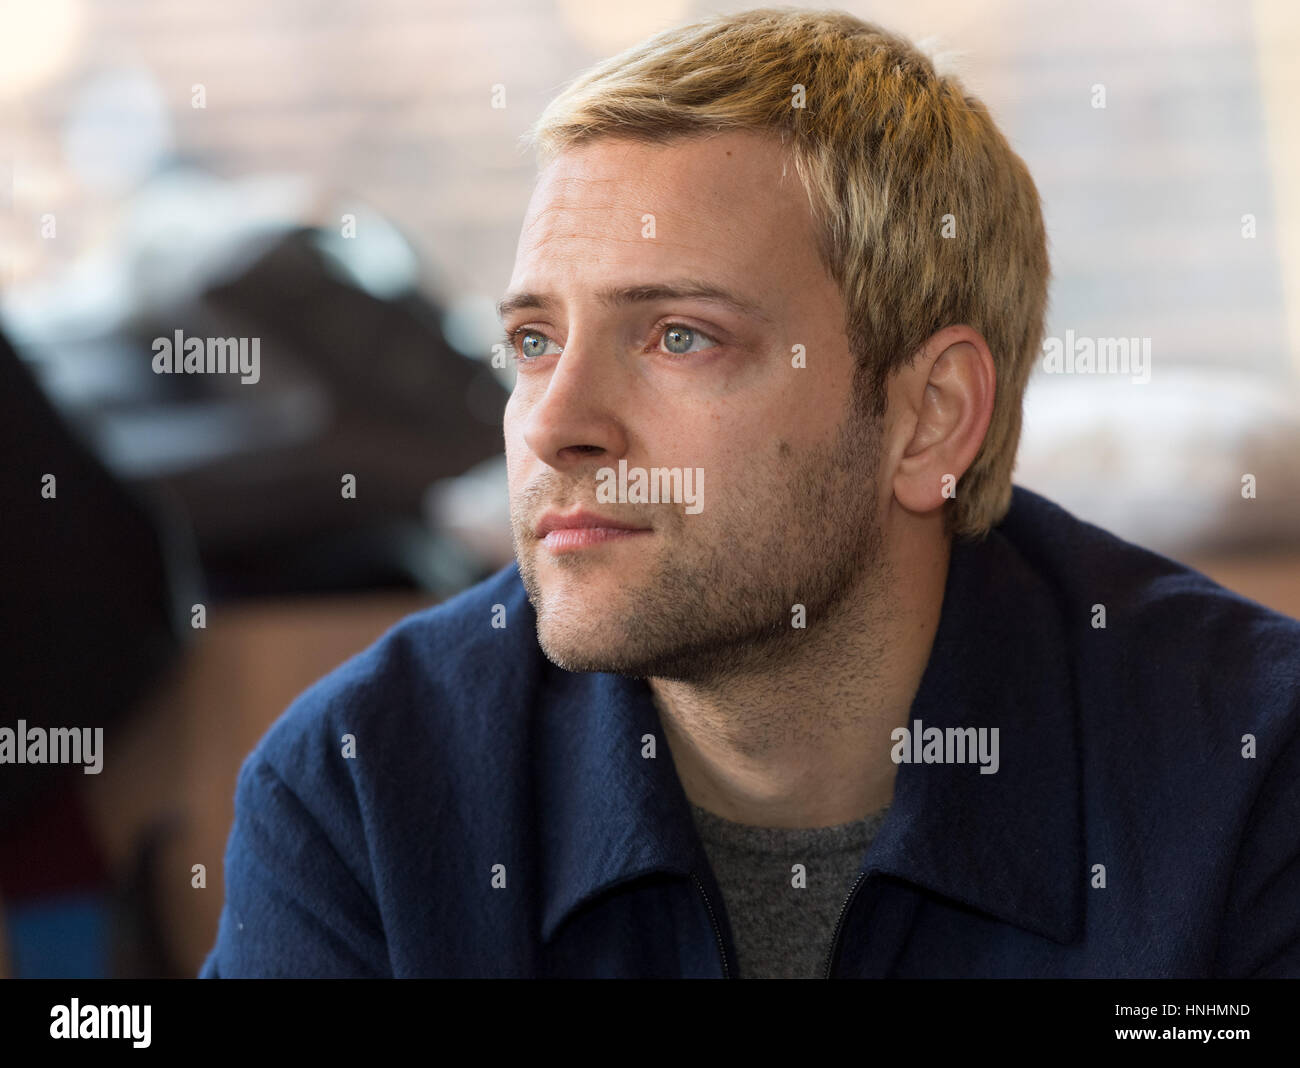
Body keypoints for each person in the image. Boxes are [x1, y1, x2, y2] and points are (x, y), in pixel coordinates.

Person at [200, 8, 1300, 978]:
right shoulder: (364, 785)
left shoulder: (1251, 779)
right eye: (534, 341)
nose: (551, 423)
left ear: (929, 420)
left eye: (678, 336)